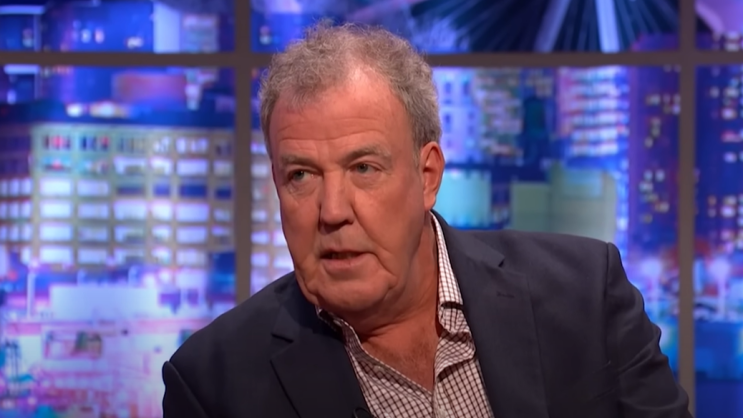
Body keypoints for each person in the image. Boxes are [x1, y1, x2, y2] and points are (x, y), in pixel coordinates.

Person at [162, 22, 692, 418]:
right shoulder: (214, 384)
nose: (332, 211)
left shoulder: (585, 294)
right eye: (301, 175)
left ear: (427, 176)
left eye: (363, 168)